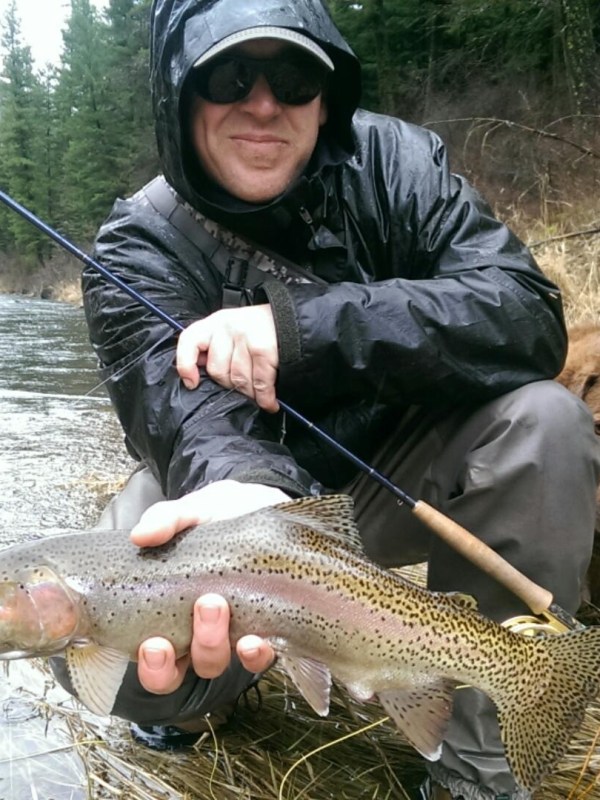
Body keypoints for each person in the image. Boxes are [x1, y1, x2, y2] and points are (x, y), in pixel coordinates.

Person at [54, 1, 600, 798]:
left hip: (397, 475)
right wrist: (254, 506)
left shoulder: (401, 166)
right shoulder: (136, 243)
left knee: (545, 421)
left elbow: (523, 314)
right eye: (229, 74)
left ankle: (481, 770)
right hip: (221, 504)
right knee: (114, 632)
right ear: (179, 90)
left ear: (327, 90)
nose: (265, 102)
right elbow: (178, 408)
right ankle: (198, 702)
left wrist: (303, 329)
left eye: (295, 76)